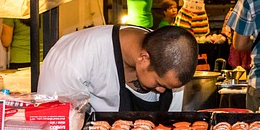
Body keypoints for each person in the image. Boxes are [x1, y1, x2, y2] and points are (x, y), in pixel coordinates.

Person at [38, 24, 198, 111]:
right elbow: (56, 127)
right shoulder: (74, 60)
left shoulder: (170, 63)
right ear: (144, 58)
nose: (162, 91)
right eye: (159, 84)